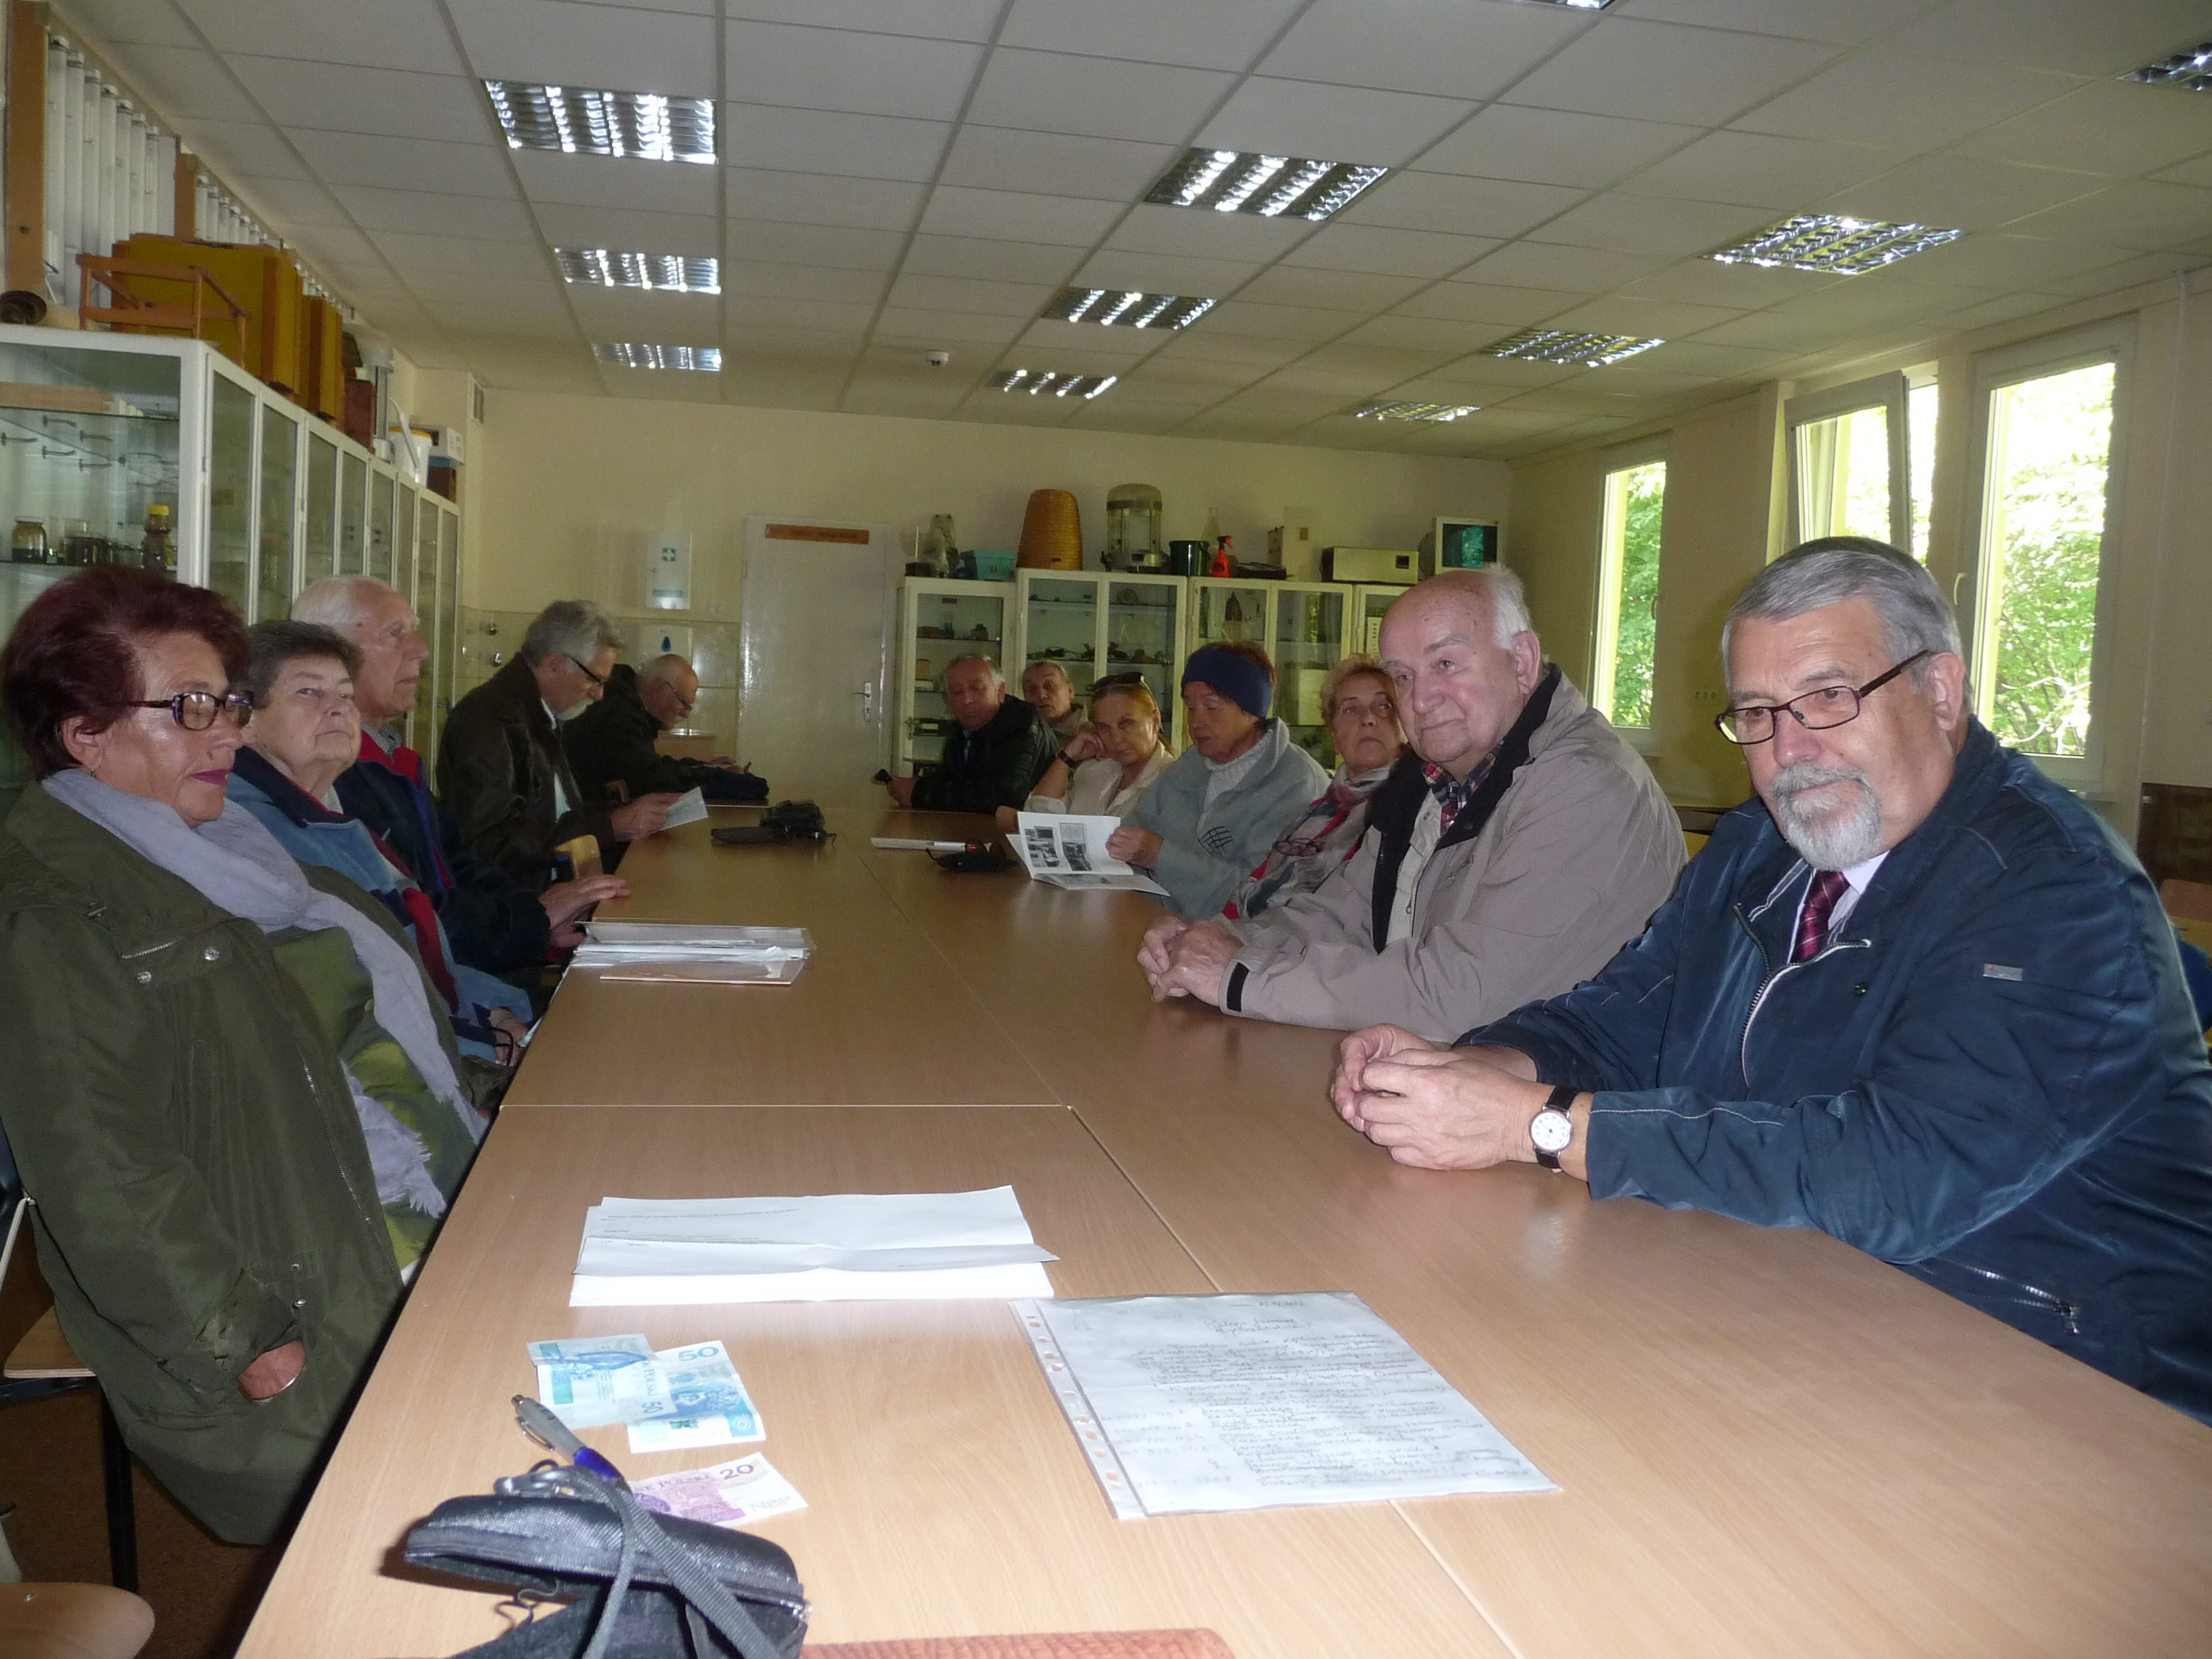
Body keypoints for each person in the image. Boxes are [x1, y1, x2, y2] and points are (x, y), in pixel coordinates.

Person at [1330, 539, 2212, 1423]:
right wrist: (1473, 1069)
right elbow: (1626, 1015)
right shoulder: (1760, 847)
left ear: (1941, 692)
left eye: (1829, 697)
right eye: (1757, 711)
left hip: (2062, 1378)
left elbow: (1899, 1174)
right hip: (1780, 1300)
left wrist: (1538, 1124)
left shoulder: (2052, 889)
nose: (1791, 749)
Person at [0, 567, 487, 1544]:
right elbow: (106, 1176)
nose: (227, 732)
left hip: (396, 1212)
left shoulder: (232, 853)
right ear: (84, 734)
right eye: (190, 708)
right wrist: (243, 1343)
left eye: (227, 702)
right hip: (302, 1306)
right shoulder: (55, 914)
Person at [1139, 571, 1683, 1037]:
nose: (1419, 699)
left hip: (1563, 1104)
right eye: (1402, 676)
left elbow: (1462, 995)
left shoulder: (1585, 785)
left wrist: (1240, 976)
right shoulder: (1427, 778)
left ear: (1522, 661)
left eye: (1446, 663)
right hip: (1439, 1072)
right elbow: (1345, 915)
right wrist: (1221, 939)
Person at [225, 619, 533, 1065]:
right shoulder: (255, 833)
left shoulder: (332, 813)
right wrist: (486, 1043)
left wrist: (497, 1010)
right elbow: (347, 1013)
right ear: (245, 720)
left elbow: (411, 955)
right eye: (309, 692)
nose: (338, 710)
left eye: (345, 695)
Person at [293, 577, 623, 970]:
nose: (422, 649)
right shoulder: (331, 775)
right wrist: (531, 920)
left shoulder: (393, 757)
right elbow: (408, 919)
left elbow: (458, 862)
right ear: (328, 656)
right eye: (396, 634)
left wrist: (534, 917)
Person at [436, 600, 680, 886]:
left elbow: (558, 814)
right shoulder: (490, 720)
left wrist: (626, 813)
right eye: (594, 680)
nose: (599, 695)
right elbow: (491, 843)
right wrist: (610, 826)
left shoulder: (538, 713)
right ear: (554, 665)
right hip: (514, 900)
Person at [1110, 642, 1327, 920]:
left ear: (1251, 710)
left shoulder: (1297, 784)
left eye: (1211, 707)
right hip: (1151, 920)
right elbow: (1135, 828)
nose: (1196, 722)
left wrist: (1159, 856)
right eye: (1191, 707)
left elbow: (1261, 896)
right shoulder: (1192, 765)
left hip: (1232, 939)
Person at [1223, 654, 1408, 922]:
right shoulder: (1315, 815)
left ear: (1405, 726)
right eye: (1351, 709)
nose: (1368, 718)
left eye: (1384, 706)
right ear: (1334, 738)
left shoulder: (1406, 811)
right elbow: (1255, 884)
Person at [560, 653, 768, 806]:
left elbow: (647, 765)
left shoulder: (624, 698)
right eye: (684, 704)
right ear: (661, 690)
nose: (686, 714)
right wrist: (720, 779)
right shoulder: (618, 709)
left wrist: (705, 767)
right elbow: (649, 779)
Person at [884, 655, 1057, 814]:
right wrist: (910, 786)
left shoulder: (1023, 722)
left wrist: (918, 793)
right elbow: (949, 779)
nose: (966, 700)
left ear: (1000, 691)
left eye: (977, 688)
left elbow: (1005, 798)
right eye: (957, 692)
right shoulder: (963, 730)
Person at [998, 676, 1172, 831]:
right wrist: (1067, 757)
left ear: (1155, 720)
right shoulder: (1093, 773)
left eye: (1127, 723)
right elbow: (1037, 822)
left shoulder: (1173, 781)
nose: (1116, 738)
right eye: (1104, 728)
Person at [1021, 659, 1087, 747]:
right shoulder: (1018, 737)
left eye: (1050, 686)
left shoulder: (1091, 736)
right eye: (1032, 690)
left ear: (1070, 691)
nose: (1041, 695)